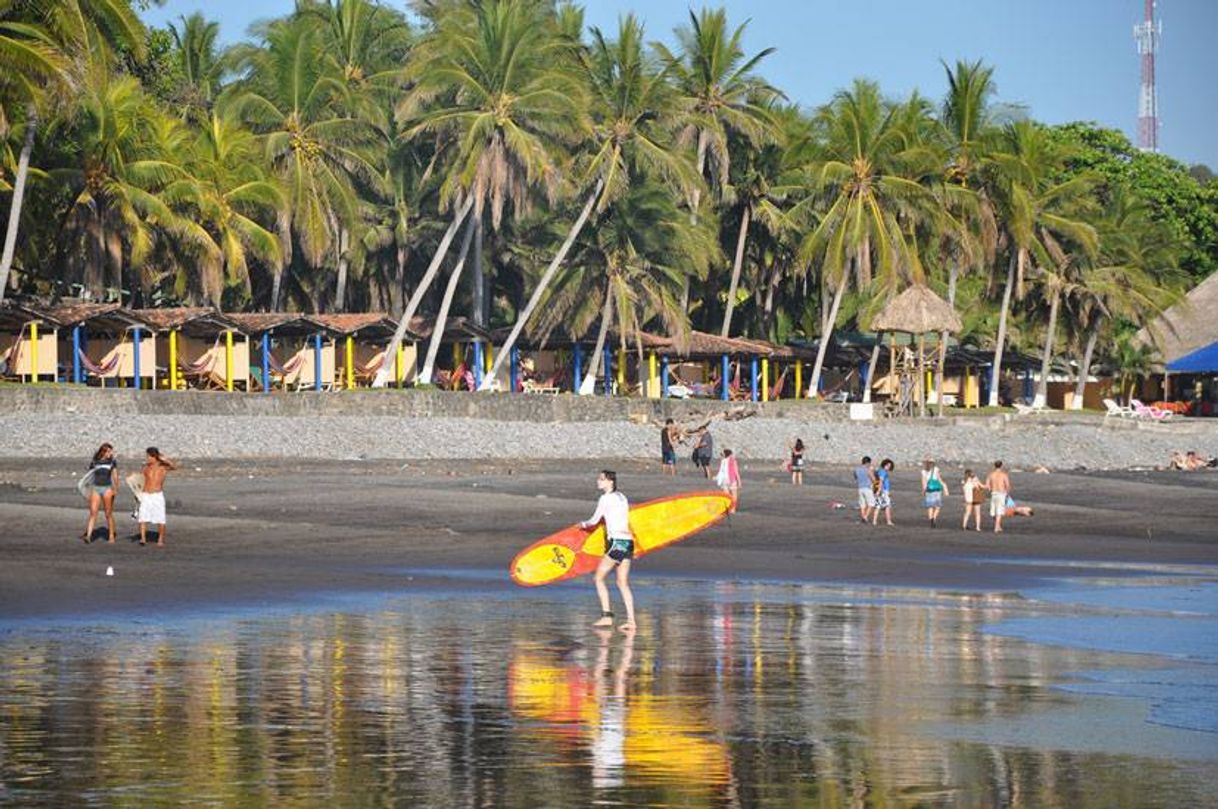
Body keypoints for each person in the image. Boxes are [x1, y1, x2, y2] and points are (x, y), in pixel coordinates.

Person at [582, 470, 636, 632]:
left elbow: (594, 520)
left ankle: (607, 616)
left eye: (602, 479)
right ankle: (631, 621)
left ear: (610, 482)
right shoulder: (622, 497)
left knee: (598, 578)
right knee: (622, 583)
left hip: (617, 542)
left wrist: (582, 525)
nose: (598, 481)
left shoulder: (605, 498)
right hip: (628, 542)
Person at [138, 447, 176, 547]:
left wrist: (165, 459)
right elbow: (141, 481)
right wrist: (138, 494)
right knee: (142, 516)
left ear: (154, 456)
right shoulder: (146, 468)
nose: (147, 458)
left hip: (157, 494)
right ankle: (143, 538)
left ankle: (160, 539)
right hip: (146, 494)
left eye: (148, 456)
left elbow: (174, 467)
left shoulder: (162, 467)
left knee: (160, 518)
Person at [82, 443, 118, 544]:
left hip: (107, 488)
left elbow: (115, 476)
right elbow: (90, 476)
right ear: (104, 451)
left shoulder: (112, 462)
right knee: (93, 513)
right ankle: (88, 536)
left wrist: (115, 489)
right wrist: (87, 489)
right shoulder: (95, 462)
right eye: (109, 451)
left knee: (108, 514)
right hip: (96, 488)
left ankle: (111, 536)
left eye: (111, 451)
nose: (111, 453)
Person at [985, 460, 1012, 534]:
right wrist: (1007, 494)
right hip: (1001, 493)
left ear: (994, 466)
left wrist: (990, 489)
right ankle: (996, 527)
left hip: (994, 493)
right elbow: (1007, 485)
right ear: (1001, 466)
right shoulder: (1003, 475)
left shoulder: (991, 475)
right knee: (999, 511)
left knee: (994, 511)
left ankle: (998, 526)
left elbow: (987, 486)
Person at [920, 458, 949, 527]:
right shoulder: (936, 469)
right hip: (937, 489)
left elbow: (924, 482)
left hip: (929, 490)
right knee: (937, 506)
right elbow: (939, 479)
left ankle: (931, 520)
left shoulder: (923, 471)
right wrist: (945, 488)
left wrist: (923, 491)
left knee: (930, 506)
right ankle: (934, 518)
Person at [716, 448, 742, 512]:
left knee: (726, 496)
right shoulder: (733, 460)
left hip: (724, 480)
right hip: (732, 479)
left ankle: (727, 508)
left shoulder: (723, 461)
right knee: (734, 495)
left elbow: (721, 471)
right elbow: (736, 471)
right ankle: (733, 508)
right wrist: (739, 481)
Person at [872, 459, 894, 526]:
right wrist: (879, 490)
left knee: (878, 506)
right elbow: (881, 481)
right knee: (887, 506)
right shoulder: (883, 472)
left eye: (890, 466)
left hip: (882, 490)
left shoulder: (879, 471)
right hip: (883, 491)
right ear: (884, 465)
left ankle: (874, 521)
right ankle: (888, 521)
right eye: (887, 465)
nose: (888, 467)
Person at [854, 456, 876, 524]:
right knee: (871, 504)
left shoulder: (857, 469)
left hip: (860, 488)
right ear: (868, 463)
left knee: (862, 504)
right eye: (869, 463)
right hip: (867, 488)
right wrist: (872, 471)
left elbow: (855, 477)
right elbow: (874, 479)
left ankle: (863, 517)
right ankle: (865, 517)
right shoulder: (868, 469)